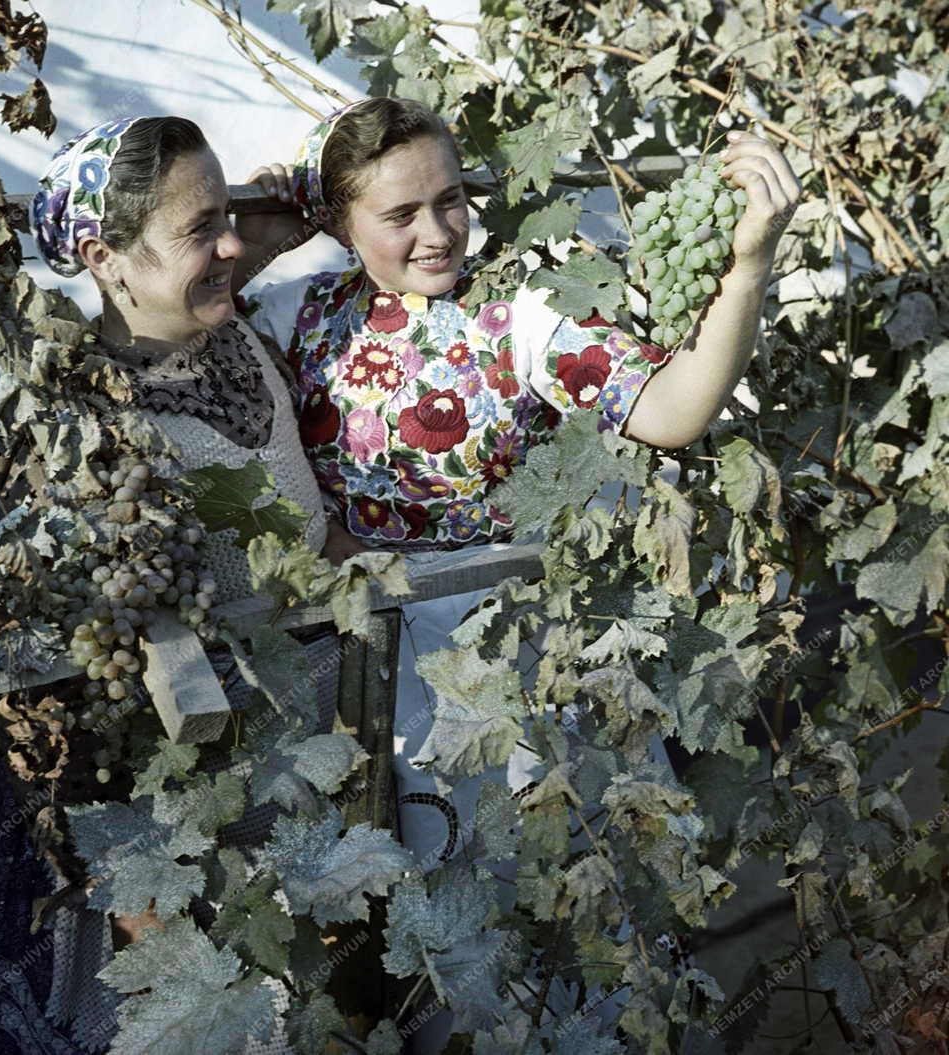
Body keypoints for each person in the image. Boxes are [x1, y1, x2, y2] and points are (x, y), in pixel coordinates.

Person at [245, 95, 802, 1050]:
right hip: (379, 669)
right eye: (399, 214)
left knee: (573, 908)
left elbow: (673, 410)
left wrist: (751, 265)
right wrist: (293, 201)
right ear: (338, 222)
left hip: (523, 656)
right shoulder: (299, 316)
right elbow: (195, 285)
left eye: (452, 198)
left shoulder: (521, 313)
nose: (438, 231)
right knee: (446, 935)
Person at [0, 115, 365, 1055]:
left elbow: (241, 240)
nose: (226, 244)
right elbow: (74, 715)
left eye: (227, 216)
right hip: (188, 822)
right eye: (197, 228)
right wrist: (147, 913)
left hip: (299, 774)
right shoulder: (87, 444)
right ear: (103, 256)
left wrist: (294, 206)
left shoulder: (219, 326)